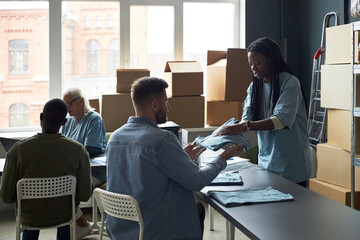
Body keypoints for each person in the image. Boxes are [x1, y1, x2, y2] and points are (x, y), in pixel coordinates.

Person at [106, 77, 244, 240]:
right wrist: (223, 157)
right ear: (155, 105)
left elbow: (148, 171)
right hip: (155, 230)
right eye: (166, 102)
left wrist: (183, 156)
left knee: (197, 207)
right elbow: (197, 180)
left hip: (122, 229)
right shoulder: (162, 139)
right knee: (196, 208)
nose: (168, 107)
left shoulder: (115, 137)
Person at [216, 37, 311, 187]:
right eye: (250, 64)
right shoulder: (254, 88)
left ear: (271, 60)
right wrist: (230, 134)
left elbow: (279, 121)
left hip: (291, 167)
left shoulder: (290, 83)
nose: (253, 68)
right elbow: (246, 118)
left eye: (258, 63)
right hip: (266, 164)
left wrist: (243, 127)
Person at [0, 98, 92, 240]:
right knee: (64, 213)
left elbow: (6, 196)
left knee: (31, 217)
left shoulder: (17, 151)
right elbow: (85, 194)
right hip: (64, 214)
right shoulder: (78, 151)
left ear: (41, 117)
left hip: (31, 216)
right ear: (64, 122)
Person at [60, 88, 107, 236]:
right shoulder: (67, 122)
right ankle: (81, 224)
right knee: (57, 188)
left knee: (66, 191)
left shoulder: (94, 119)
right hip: (73, 169)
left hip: (94, 171)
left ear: (81, 101)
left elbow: (89, 150)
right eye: (64, 105)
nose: (67, 109)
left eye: (69, 104)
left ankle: (82, 225)